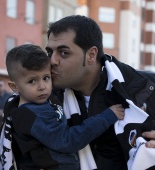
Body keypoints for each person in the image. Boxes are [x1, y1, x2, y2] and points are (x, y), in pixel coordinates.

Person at [46, 15, 155, 170]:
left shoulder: (145, 86)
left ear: (91, 55)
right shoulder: (42, 99)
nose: (52, 61)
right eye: (50, 52)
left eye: (64, 53)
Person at [0, 44, 124, 170]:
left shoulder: (39, 104)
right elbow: (67, 140)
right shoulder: (31, 115)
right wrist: (106, 117)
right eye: (32, 81)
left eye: (46, 78)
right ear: (14, 87)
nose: (42, 86)